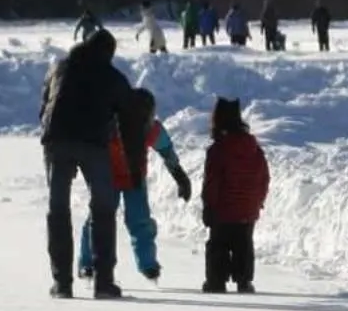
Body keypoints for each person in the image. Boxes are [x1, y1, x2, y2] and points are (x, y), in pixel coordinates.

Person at [39, 28, 140, 298]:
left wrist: (49, 134)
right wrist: (132, 161)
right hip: (94, 144)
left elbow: (45, 102)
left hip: (57, 141)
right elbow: (130, 118)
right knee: (103, 208)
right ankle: (103, 282)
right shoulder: (111, 76)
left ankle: (62, 284)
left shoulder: (60, 67)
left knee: (58, 209)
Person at [78, 87, 193, 283]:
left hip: (134, 180)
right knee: (98, 219)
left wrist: (180, 175)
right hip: (108, 179)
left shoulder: (152, 129)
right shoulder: (108, 127)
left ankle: (148, 265)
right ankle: (87, 263)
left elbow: (166, 151)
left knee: (140, 222)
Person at [201, 96, 270, 294]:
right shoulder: (254, 148)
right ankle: (244, 280)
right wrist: (258, 201)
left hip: (223, 207)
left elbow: (212, 183)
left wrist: (208, 206)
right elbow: (264, 177)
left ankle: (216, 281)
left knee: (218, 244)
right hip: (248, 207)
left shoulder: (217, 150)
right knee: (244, 244)